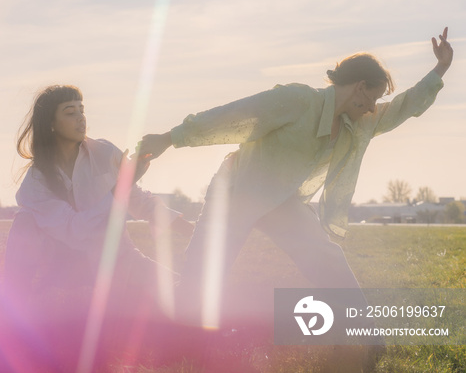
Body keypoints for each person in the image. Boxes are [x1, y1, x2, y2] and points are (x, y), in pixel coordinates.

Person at [138, 28, 453, 325]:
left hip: (281, 200)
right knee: (198, 284)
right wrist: (169, 138)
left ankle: (365, 335)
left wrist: (439, 70)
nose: (373, 107)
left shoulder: (357, 123)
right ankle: (152, 320)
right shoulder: (298, 100)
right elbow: (231, 117)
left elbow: (401, 107)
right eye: (373, 97)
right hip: (237, 190)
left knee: (327, 256)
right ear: (359, 87)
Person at [4, 84, 190, 317]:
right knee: (25, 222)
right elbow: (75, 229)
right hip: (62, 269)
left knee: (187, 295)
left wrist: (190, 228)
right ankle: (14, 311)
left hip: (118, 259)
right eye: (70, 112)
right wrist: (121, 186)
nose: (81, 118)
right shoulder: (35, 183)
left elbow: (138, 200)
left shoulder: (105, 152)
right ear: (50, 124)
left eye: (82, 110)